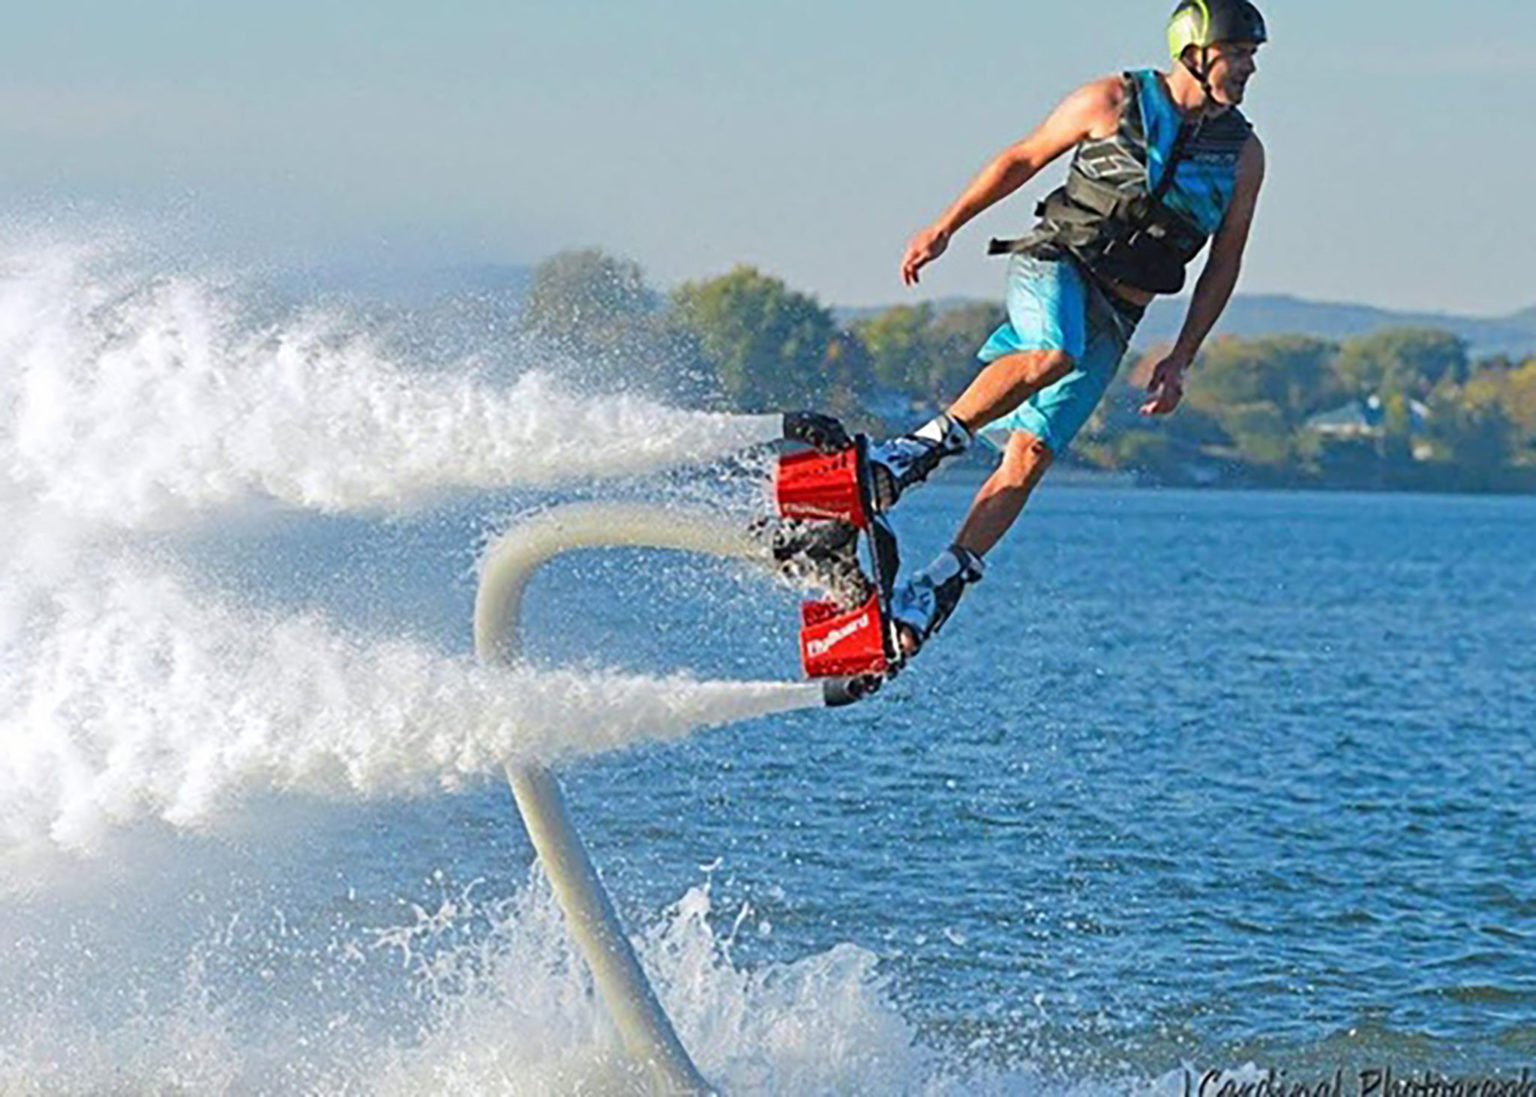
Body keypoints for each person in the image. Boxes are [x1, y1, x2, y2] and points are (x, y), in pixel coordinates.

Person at [866, 0, 1269, 658]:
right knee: (1054, 350)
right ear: (1196, 51)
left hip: (1120, 311)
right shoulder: (1109, 100)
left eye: (1254, 56)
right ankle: (909, 453)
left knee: (1030, 456)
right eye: (1240, 53)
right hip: (1057, 263)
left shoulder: (1243, 156)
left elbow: (1224, 263)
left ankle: (936, 584)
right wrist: (945, 226)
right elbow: (1021, 160)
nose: (1250, 67)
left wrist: (1182, 356)